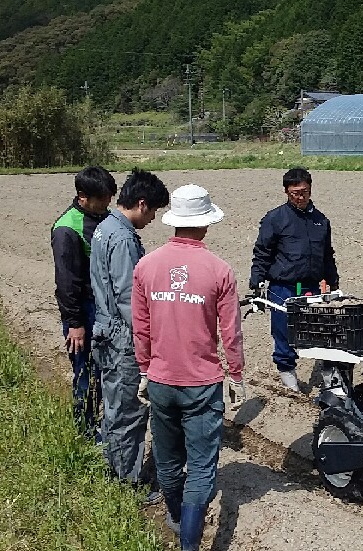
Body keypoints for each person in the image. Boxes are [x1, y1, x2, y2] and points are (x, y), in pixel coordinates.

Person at [132, 184, 245, 549]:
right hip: (202, 384)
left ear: (175, 221)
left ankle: (177, 516)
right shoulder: (219, 270)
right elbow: (231, 331)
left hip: (160, 381)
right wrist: (236, 374)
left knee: (167, 460)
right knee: (200, 467)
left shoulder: (146, 266)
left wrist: (144, 369)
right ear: (206, 223)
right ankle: (190, 544)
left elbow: (141, 327)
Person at [90, 168, 170, 498]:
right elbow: (129, 300)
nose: (152, 219)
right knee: (129, 412)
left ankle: (112, 466)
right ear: (141, 203)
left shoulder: (104, 227)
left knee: (113, 407)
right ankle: (128, 484)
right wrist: (149, 342)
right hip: (122, 338)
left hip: (104, 329)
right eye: (153, 211)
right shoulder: (123, 239)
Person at [250, 167, 339, 391]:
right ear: (286, 192)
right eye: (295, 193)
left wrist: (333, 281)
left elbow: (327, 255)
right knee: (283, 332)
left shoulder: (321, 221)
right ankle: (287, 373)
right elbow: (262, 252)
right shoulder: (275, 219)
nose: (300, 197)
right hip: (284, 287)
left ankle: (329, 375)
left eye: (304, 192)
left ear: (311, 189)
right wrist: (256, 282)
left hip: (311, 287)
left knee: (321, 331)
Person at [50, 166, 116, 443]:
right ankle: (85, 433)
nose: (107, 203)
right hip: (82, 312)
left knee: (102, 370)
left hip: (102, 308)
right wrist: (75, 323)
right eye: (102, 198)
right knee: (85, 372)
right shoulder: (67, 229)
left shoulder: (101, 217)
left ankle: (99, 423)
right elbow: (67, 284)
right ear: (82, 197)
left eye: (109, 197)